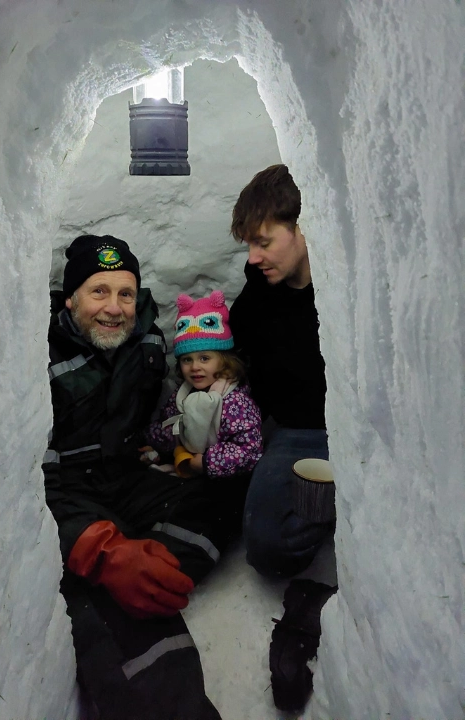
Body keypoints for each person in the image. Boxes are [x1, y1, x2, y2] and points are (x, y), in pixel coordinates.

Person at [43, 234, 248, 720]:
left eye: (126, 293)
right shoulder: (39, 355)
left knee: (228, 491)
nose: (114, 308)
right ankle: (109, 586)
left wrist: (165, 448)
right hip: (68, 491)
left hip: (127, 478)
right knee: (106, 588)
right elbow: (26, 479)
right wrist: (102, 549)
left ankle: (137, 571)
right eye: (99, 292)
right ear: (71, 298)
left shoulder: (148, 339)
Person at [229, 164, 337, 712]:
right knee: (266, 544)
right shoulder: (259, 297)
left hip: (350, 427)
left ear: (303, 228)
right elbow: (235, 355)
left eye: (264, 242)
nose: (253, 257)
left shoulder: (341, 290)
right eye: (250, 245)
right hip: (297, 433)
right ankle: (329, 517)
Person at [143, 290, 263, 480]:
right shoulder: (182, 395)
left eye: (204, 358)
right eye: (187, 360)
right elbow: (170, 428)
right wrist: (153, 444)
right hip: (187, 469)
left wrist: (208, 462)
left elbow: (250, 450)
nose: (195, 367)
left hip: (225, 480)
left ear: (224, 360)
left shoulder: (236, 403)